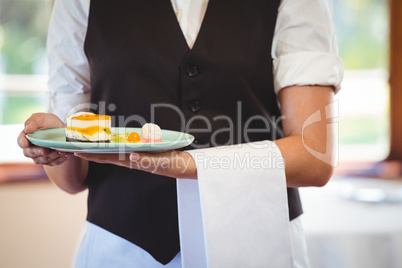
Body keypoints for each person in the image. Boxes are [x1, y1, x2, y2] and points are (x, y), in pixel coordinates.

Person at [17, 0, 343, 267]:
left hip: (257, 246)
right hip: (123, 251)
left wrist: (184, 165)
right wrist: (55, 146)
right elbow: (71, 180)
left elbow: (314, 157)